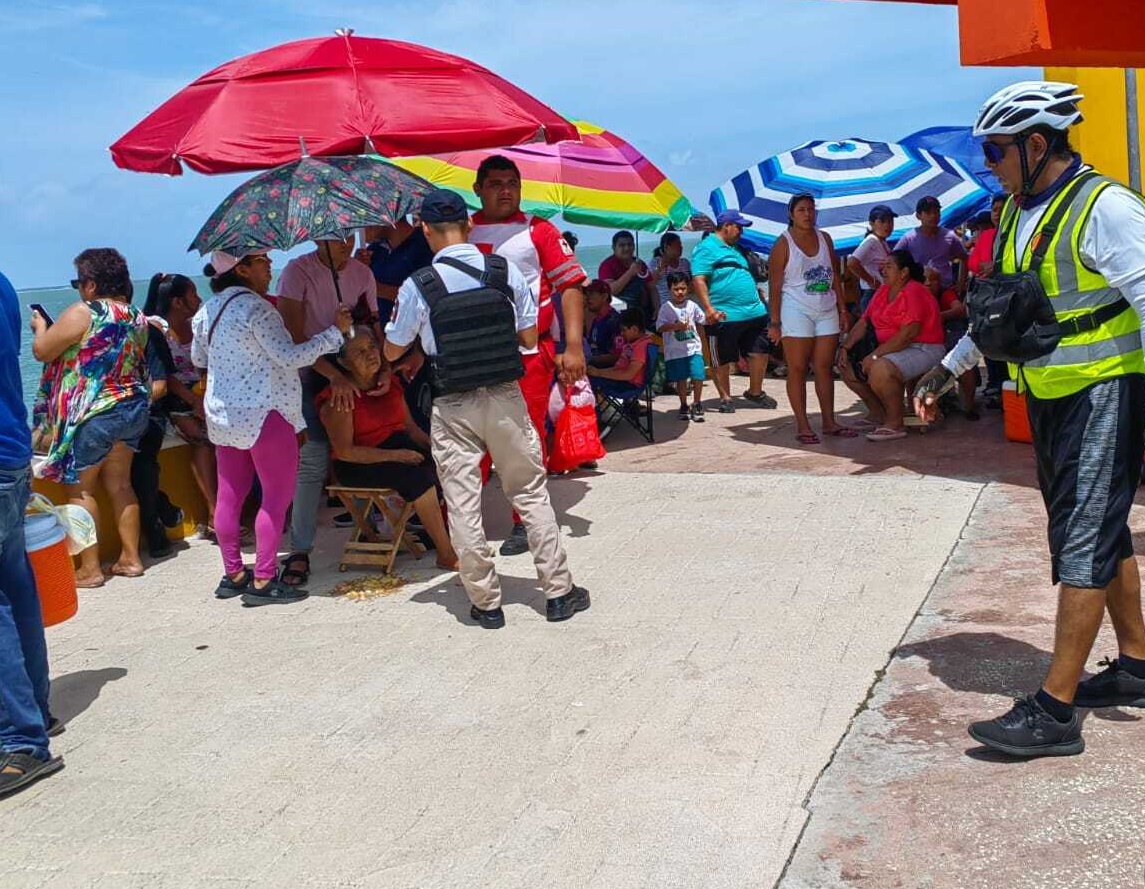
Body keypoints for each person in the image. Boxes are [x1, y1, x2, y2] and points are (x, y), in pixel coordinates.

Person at [913, 81, 1145, 758]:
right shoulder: (1017, 213)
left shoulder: (1105, 208)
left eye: (995, 152)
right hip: (1048, 395)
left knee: (1083, 539)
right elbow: (1000, 314)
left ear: (1035, 144)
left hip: (1104, 390)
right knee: (1099, 530)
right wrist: (946, 369)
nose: (989, 165)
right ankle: (1136, 665)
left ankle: (1054, 710)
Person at [383, 188, 590, 629]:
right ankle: (558, 592)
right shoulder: (504, 271)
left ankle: (486, 602)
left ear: (424, 229)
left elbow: (392, 349)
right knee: (530, 493)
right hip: (504, 396)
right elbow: (529, 338)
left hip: (452, 402)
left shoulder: (418, 285)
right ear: (469, 224)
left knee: (463, 504)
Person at [192, 249, 351, 606]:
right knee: (276, 498)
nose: (269, 266)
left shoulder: (206, 311)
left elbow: (199, 358)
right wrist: (334, 333)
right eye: (262, 260)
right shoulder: (259, 309)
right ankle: (264, 579)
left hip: (224, 416)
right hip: (266, 413)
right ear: (242, 269)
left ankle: (234, 574)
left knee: (230, 495)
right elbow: (290, 357)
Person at [468, 155, 588, 556]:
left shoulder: (539, 230)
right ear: (478, 189)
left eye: (512, 183)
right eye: (496, 183)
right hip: (474, 353)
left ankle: (525, 519)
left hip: (529, 353)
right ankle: (464, 524)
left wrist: (573, 347)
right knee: (470, 437)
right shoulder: (461, 231)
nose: (506, 191)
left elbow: (570, 286)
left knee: (526, 435)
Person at [31, 248, 150, 588]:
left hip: (94, 413)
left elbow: (43, 351)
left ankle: (90, 568)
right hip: (131, 407)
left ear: (92, 284)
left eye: (79, 283)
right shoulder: (136, 316)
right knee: (121, 485)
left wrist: (40, 327)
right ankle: (131, 558)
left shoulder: (85, 312)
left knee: (80, 491)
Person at [277, 236, 381, 588]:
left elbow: (372, 326)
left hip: (352, 371)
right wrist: (334, 376)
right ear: (317, 238)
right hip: (309, 376)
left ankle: (369, 526)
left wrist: (382, 370)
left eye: (350, 235)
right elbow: (292, 337)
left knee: (366, 442)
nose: (346, 243)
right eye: (337, 237)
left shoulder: (362, 273)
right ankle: (299, 549)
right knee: (314, 459)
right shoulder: (297, 272)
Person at [319, 329, 459, 570]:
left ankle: (456, 538)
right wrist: (397, 456)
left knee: (453, 464)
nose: (370, 354)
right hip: (358, 463)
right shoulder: (340, 398)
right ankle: (446, 554)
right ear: (344, 363)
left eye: (372, 347)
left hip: (396, 446)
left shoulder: (389, 383)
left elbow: (411, 429)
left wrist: (438, 449)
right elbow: (345, 451)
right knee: (419, 478)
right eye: (359, 352)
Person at [0, 268, 63, 798]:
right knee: (16, 586)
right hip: (12, 453)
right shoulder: (2, 284)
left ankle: (19, 737)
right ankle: (34, 713)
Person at [767, 194, 855, 444]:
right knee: (797, 368)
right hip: (795, 309)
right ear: (791, 214)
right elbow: (775, 286)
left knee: (824, 367)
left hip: (826, 307)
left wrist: (843, 309)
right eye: (802, 210)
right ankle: (803, 424)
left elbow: (835, 276)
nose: (808, 214)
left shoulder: (825, 238)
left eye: (811, 209)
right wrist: (775, 322)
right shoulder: (783, 244)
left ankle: (829, 421)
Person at [838, 249, 944, 442]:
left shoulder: (914, 290)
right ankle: (878, 413)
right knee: (846, 366)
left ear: (904, 272)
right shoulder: (883, 290)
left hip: (924, 347)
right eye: (883, 266)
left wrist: (875, 355)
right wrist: (845, 348)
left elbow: (909, 334)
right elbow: (864, 322)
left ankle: (895, 422)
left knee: (880, 368)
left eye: (889, 266)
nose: (883, 270)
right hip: (894, 350)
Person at [143, 273, 218, 539]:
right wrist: (194, 401)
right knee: (203, 440)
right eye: (193, 294)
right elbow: (166, 377)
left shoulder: (197, 325)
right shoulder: (157, 330)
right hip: (175, 397)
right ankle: (214, 512)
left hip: (203, 392)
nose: (199, 299)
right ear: (177, 302)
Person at [691, 210, 776, 413]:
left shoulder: (738, 248)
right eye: (738, 227)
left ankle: (755, 392)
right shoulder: (706, 248)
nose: (741, 231)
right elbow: (699, 279)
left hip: (754, 312)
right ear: (726, 225)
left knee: (760, 352)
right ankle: (726, 398)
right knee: (721, 358)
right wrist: (709, 308)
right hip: (724, 314)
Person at [967, 194, 1009, 399]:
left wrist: (996, 266)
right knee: (988, 339)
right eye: (994, 210)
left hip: (1008, 296)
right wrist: (985, 267)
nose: (997, 213)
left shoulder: (1015, 233)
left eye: (1002, 209)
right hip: (987, 295)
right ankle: (995, 383)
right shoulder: (987, 235)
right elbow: (973, 263)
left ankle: (1007, 386)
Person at [923, 266, 978, 420]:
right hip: (927, 343)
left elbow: (959, 309)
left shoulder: (946, 293)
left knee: (966, 364)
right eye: (925, 279)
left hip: (950, 336)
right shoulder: (915, 296)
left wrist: (937, 317)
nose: (928, 283)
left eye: (933, 280)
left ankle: (969, 406)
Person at [655, 271, 707, 422]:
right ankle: (684, 404)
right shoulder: (666, 308)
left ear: (688, 288)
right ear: (669, 289)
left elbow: (703, 319)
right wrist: (675, 326)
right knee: (681, 379)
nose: (680, 292)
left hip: (693, 348)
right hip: (676, 351)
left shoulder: (692, 305)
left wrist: (714, 315)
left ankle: (697, 403)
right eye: (676, 289)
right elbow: (659, 327)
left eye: (683, 288)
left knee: (698, 375)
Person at [893, 196, 969, 294]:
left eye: (936, 212)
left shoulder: (949, 236)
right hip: (918, 290)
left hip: (944, 289)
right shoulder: (909, 238)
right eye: (928, 213)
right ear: (918, 216)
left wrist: (961, 284)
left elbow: (965, 258)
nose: (933, 216)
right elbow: (893, 261)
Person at [587, 307, 652, 395]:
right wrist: (599, 371)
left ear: (635, 329)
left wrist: (598, 373)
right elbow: (618, 368)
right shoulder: (634, 343)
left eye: (624, 330)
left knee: (589, 380)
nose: (621, 333)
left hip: (627, 384)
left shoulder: (641, 346)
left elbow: (628, 374)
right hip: (621, 379)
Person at [599, 230, 657, 323]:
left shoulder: (640, 264)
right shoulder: (607, 266)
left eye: (630, 245)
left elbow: (652, 288)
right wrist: (630, 272)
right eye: (622, 245)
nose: (626, 248)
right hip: (619, 315)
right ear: (613, 248)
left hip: (643, 314)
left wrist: (657, 308)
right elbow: (610, 290)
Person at [847, 205, 896, 312]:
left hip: (880, 292)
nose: (887, 225)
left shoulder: (881, 241)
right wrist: (871, 281)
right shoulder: (871, 240)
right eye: (882, 221)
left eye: (890, 221)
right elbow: (851, 262)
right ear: (872, 223)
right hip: (872, 293)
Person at [649, 232, 691, 312]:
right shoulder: (656, 262)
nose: (681, 248)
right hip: (665, 307)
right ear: (666, 247)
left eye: (681, 245)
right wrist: (661, 267)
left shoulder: (685, 263)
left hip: (684, 306)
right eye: (678, 245)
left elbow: (690, 285)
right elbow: (651, 284)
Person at [585, 279, 622, 368]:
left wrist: (587, 359)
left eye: (591, 294)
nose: (587, 297)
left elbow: (617, 356)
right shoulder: (597, 319)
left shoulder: (615, 322)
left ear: (604, 296)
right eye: (587, 293)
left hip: (607, 372)